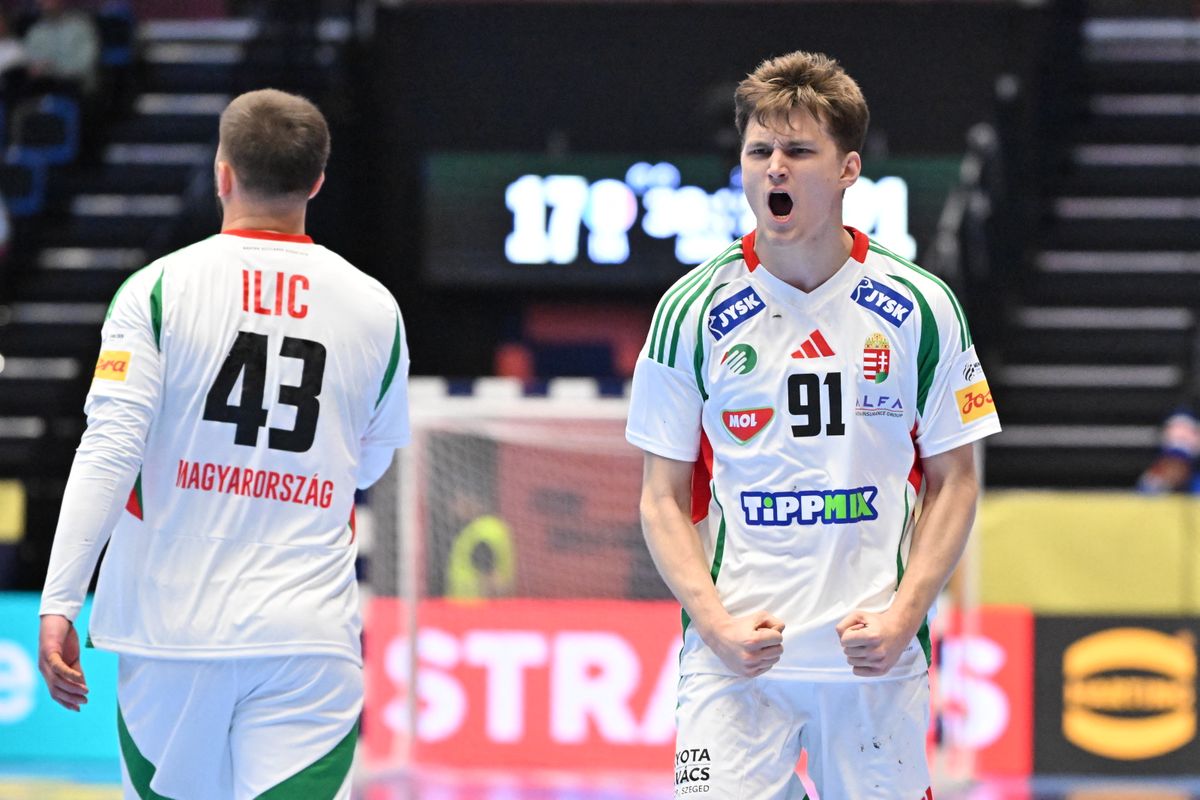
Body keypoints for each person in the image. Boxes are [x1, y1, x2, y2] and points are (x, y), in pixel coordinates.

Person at [626, 51, 1001, 799]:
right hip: (735, 662)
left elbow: (957, 481)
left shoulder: (920, 306)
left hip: (870, 660)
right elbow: (661, 497)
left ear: (847, 169)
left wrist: (904, 617)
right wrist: (714, 625)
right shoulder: (690, 311)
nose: (775, 168)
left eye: (798, 151)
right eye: (759, 151)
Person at [38, 89, 410, 799]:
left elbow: (110, 452)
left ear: (222, 173)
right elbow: (371, 462)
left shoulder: (157, 290)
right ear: (317, 181)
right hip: (308, 631)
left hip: (172, 628)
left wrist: (62, 598)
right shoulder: (375, 308)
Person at [22, 0, 99, 96]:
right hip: (43, 86)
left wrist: (54, 69)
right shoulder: (36, 31)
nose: (45, 4)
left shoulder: (81, 26)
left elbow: (85, 64)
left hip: (77, 85)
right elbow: (30, 62)